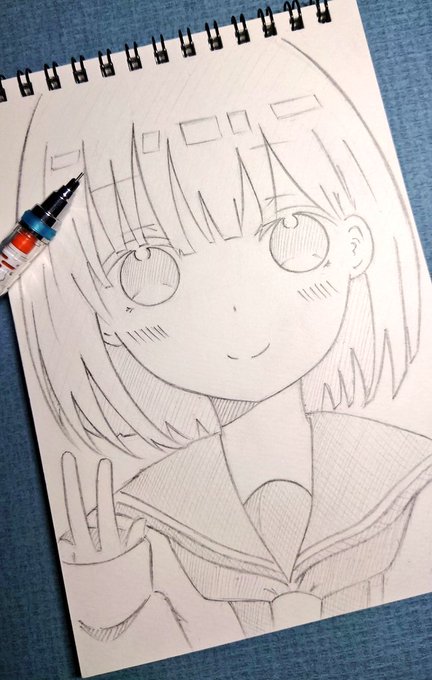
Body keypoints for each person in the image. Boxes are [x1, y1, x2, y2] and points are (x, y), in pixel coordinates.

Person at [17, 39, 432, 663]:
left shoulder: (410, 470)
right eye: (145, 266)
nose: (232, 307)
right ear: (100, 312)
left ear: (354, 245)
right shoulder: (138, 519)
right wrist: (111, 612)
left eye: (291, 228)